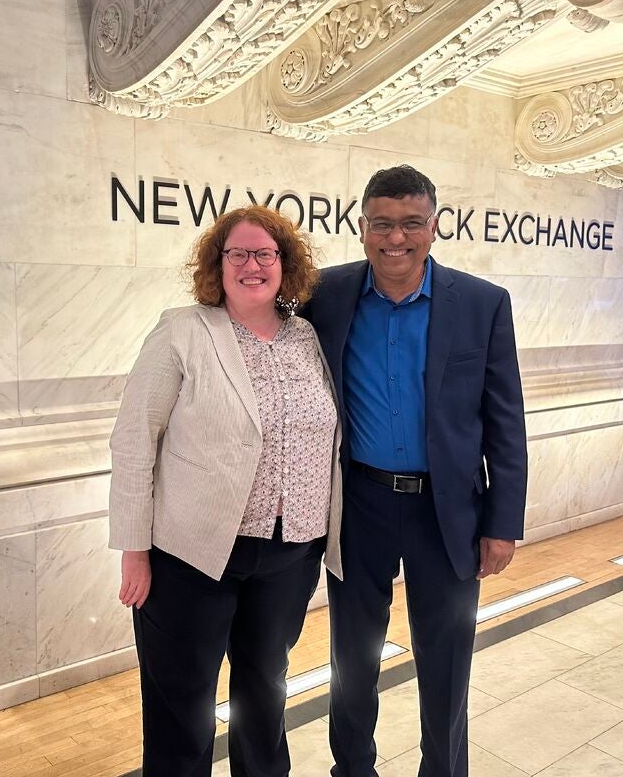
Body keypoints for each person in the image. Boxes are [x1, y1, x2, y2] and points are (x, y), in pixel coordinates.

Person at [299, 165, 527, 777]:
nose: (394, 238)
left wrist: (502, 523)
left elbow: (505, 423)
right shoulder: (327, 295)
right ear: (362, 226)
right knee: (352, 657)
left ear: (434, 225)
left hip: (445, 513)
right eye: (381, 224)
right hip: (360, 505)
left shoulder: (481, 304)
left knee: (446, 659)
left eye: (410, 224)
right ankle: (351, 768)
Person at [108, 205, 342, 777]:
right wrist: (134, 551)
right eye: (237, 253)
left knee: (264, 696)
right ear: (218, 265)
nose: (252, 265)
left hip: (290, 553)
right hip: (194, 555)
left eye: (265, 253)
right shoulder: (183, 331)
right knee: (182, 707)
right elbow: (135, 439)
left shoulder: (308, 337)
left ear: (286, 265)